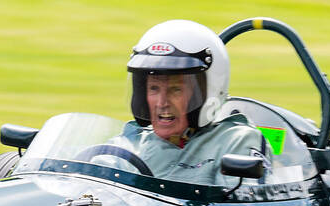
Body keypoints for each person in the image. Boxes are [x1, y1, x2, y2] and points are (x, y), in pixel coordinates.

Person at [107, 19, 271, 186]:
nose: (162, 102)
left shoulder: (235, 141)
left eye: (175, 89)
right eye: (154, 88)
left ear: (207, 92)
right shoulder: (127, 145)